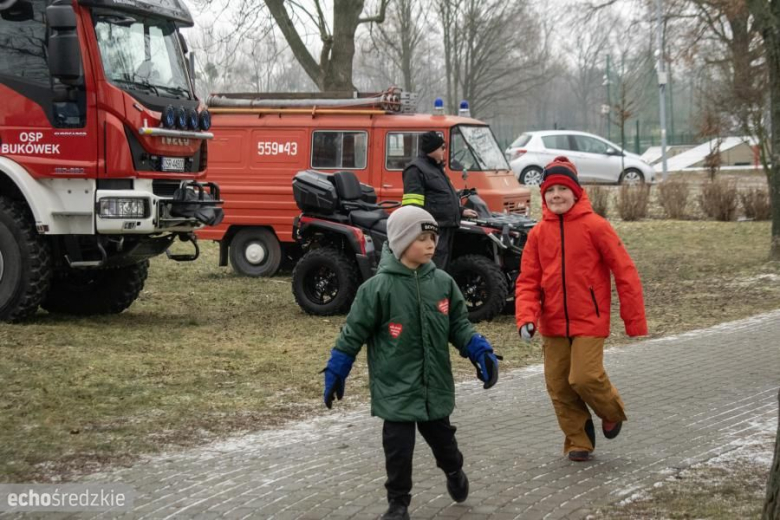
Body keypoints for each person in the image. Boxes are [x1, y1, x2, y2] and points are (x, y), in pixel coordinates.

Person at [322, 205, 500, 520]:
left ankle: (454, 470)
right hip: (395, 388)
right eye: (423, 238)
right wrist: (338, 367)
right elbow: (353, 334)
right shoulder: (376, 289)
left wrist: (478, 349)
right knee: (398, 452)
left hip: (434, 388)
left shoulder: (443, 283)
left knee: (444, 445)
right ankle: (398, 503)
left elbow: (458, 324)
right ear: (403, 243)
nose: (432, 244)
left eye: (433, 237)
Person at [515, 156, 647, 462]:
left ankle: (610, 411)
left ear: (576, 192)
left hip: (590, 318)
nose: (556, 195)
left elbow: (625, 272)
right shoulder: (537, 234)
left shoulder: (596, 227)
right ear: (543, 195)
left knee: (584, 377)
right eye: (550, 190)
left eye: (563, 188)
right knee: (559, 385)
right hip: (553, 322)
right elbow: (527, 282)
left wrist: (634, 321)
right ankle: (578, 440)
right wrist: (526, 317)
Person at [401, 131, 478, 271]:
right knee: (434, 269)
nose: (444, 151)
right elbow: (412, 206)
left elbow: (443, 196)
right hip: (434, 230)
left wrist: (461, 211)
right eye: (442, 147)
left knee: (443, 268)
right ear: (432, 149)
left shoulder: (436, 168)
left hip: (446, 227)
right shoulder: (415, 169)